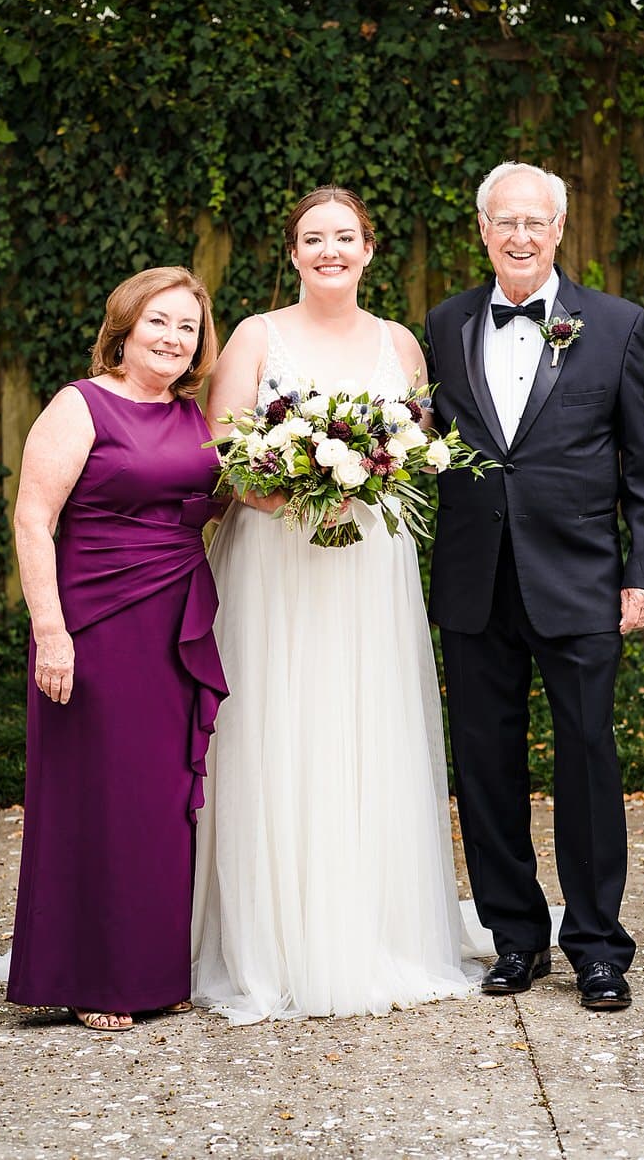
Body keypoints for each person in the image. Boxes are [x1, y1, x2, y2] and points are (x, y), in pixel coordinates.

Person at [192, 187, 476, 1023]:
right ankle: (270, 939)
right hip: (275, 559)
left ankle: (372, 929)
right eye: (313, 238)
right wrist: (291, 496)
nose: (329, 251)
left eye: (344, 237)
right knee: (277, 722)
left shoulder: (400, 343)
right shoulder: (256, 336)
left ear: (368, 250)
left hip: (369, 563)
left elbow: (417, 447)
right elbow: (221, 448)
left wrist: (370, 480)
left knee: (367, 722)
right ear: (293, 253)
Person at [426, 161, 644, 1011]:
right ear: (483, 229)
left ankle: (598, 948)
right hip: (475, 581)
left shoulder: (615, 324)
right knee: (484, 766)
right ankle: (516, 938)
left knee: (589, 759)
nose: (521, 236)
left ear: (560, 228)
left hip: (579, 579)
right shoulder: (446, 323)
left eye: (536, 221)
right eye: (506, 221)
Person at [4, 266, 227, 1032]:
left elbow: (225, 501)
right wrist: (51, 632)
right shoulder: (80, 404)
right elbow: (33, 519)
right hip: (94, 625)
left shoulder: (195, 415)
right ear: (124, 329)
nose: (173, 338)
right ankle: (93, 977)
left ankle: (154, 970)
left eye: (187, 327)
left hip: (174, 624)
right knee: (98, 798)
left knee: (159, 801)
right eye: (159, 321)